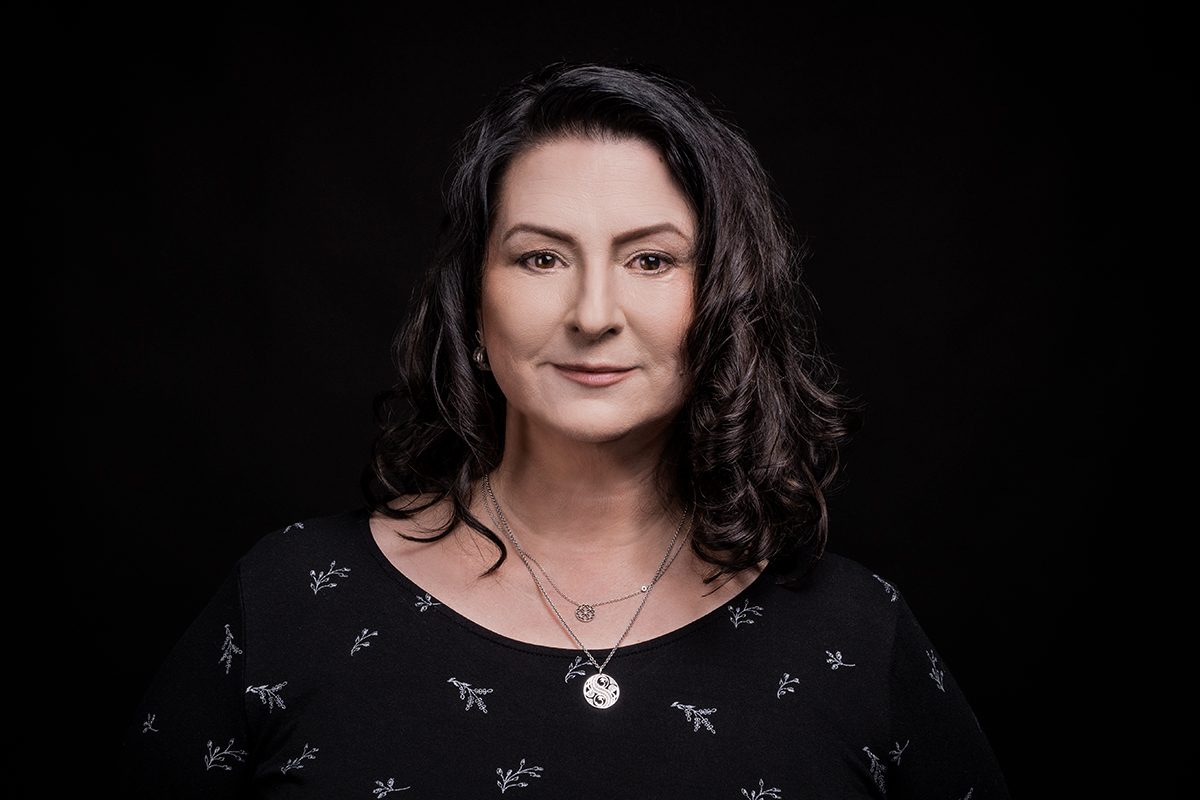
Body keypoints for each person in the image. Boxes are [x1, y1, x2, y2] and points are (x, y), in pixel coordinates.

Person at [121, 63, 1009, 798]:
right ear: (473, 307)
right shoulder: (287, 604)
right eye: (541, 257)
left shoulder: (856, 635)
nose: (592, 313)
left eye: (651, 259)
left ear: (723, 303)